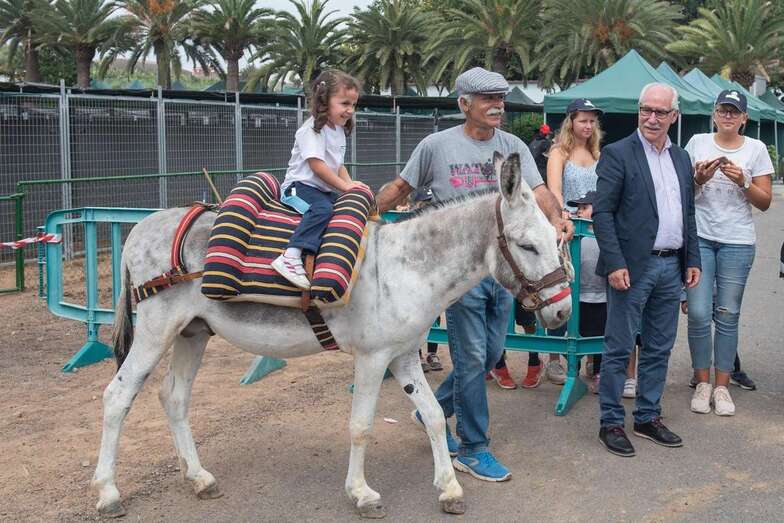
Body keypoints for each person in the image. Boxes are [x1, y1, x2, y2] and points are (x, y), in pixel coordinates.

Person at [376, 67, 572, 481]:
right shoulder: (437, 146)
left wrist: (557, 216)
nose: (497, 105)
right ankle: (473, 446)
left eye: (500, 97)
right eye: (487, 99)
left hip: (507, 270)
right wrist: (363, 210)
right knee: (469, 360)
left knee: (490, 354)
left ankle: (434, 408)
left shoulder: (512, 144)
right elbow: (401, 188)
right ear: (464, 104)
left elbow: (538, 192)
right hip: (458, 273)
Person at [594, 83, 701, 458]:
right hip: (631, 269)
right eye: (645, 110)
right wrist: (616, 262)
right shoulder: (617, 153)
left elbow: (688, 213)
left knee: (659, 347)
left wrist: (693, 259)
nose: (652, 118)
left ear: (674, 115)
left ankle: (647, 417)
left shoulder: (682, 158)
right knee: (619, 348)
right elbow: (602, 213)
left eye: (660, 112)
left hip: (671, 267)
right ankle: (610, 422)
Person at [684, 89, 773, 416]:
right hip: (701, 238)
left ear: (744, 118)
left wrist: (743, 182)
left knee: (727, 314)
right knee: (697, 312)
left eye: (734, 112)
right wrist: (699, 177)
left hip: (737, 240)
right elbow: (683, 191)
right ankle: (701, 380)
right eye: (723, 110)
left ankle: (722, 385)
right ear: (714, 113)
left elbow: (764, 202)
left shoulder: (757, 149)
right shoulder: (697, 142)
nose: (728, 116)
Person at [522, 99, 604, 388]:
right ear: (571, 121)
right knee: (563, 289)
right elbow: (553, 190)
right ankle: (556, 358)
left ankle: (592, 359)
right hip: (567, 230)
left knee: (593, 294)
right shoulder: (559, 151)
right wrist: (562, 215)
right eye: (583, 120)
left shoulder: (597, 153)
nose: (588, 125)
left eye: (592, 121)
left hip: (594, 231)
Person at [271, 70, 369, 289]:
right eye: (344, 103)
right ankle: (290, 255)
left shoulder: (338, 129)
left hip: (321, 189)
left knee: (345, 208)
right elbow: (318, 167)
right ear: (324, 100)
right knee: (322, 210)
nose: (350, 110)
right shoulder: (312, 129)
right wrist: (344, 186)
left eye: (353, 104)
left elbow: (337, 165)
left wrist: (350, 186)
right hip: (299, 187)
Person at [565, 191, 606, 394]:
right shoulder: (574, 237)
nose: (579, 212)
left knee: (600, 338)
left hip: (602, 297)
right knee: (574, 334)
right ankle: (574, 371)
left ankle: (599, 373)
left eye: (584, 208)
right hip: (578, 296)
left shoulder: (605, 234)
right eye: (578, 208)